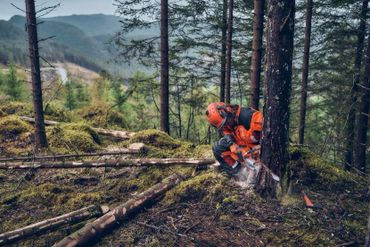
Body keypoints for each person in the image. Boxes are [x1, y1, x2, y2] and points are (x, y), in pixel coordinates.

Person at [205, 102, 263, 175]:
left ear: (228, 110)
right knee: (218, 149)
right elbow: (227, 132)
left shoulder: (249, 117)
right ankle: (237, 173)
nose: (226, 125)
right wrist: (232, 143)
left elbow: (269, 137)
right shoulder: (227, 123)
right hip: (242, 146)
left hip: (257, 150)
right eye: (223, 125)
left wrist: (260, 149)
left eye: (226, 122)